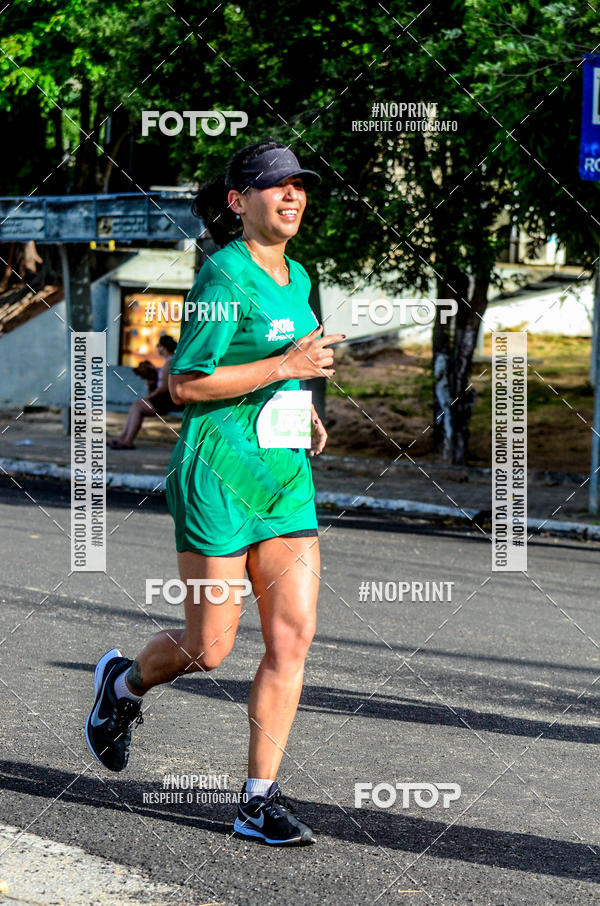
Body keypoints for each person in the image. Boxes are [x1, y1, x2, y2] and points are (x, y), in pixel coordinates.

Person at [85, 139, 345, 846]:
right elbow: (184, 386)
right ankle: (123, 684)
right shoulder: (222, 278)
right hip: (217, 478)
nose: (291, 197)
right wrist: (284, 364)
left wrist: (303, 400)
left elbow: (286, 364)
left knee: (293, 638)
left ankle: (258, 800)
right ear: (239, 202)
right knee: (210, 649)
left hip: (283, 477)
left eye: (299, 187)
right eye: (274, 187)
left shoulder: (299, 274)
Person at [109, 335, 183, 449]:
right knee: (136, 406)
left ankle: (127, 440)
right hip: (167, 399)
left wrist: (149, 397)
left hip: (166, 401)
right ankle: (123, 438)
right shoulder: (171, 361)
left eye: (159, 346)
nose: (158, 349)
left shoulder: (169, 364)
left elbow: (164, 387)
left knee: (138, 407)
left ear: (163, 347)